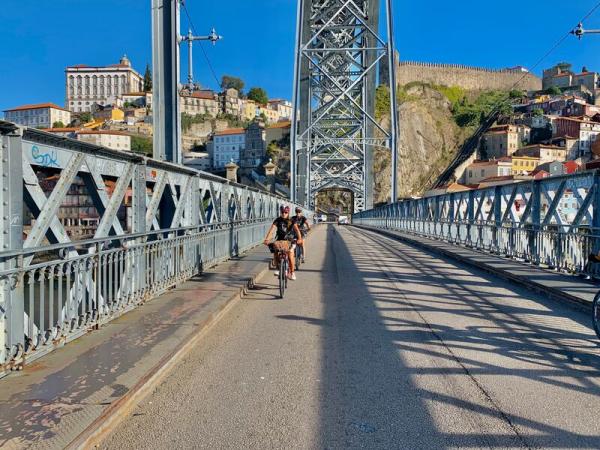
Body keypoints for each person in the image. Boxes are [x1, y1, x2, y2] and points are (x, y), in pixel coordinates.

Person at [263, 205, 303, 280]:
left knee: (291, 254)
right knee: (275, 251)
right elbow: (272, 230)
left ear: (288, 212)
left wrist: (299, 239)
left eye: (286, 212)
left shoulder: (291, 220)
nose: (284, 214)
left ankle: (292, 272)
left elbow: (297, 230)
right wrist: (267, 239)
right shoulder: (277, 220)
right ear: (280, 212)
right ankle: (278, 268)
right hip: (280, 240)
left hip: (290, 240)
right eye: (282, 212)